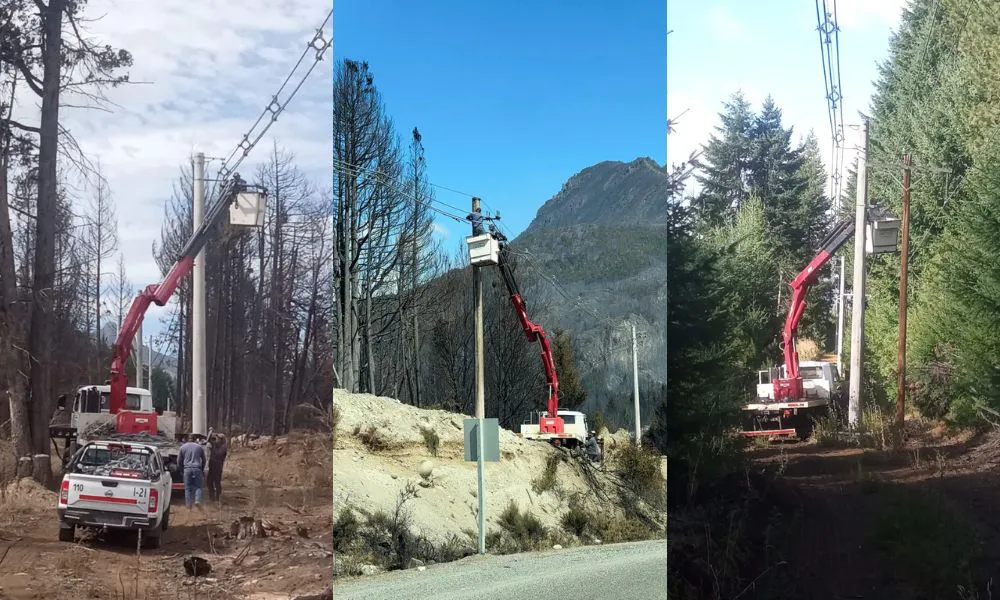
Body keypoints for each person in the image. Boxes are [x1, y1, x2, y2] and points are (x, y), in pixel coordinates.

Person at [178, 434, 207, 510]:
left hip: (187, 469)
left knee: (187, 487)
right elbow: (204, 460)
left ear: (187, 439)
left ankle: (188, 505)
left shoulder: (182, 447)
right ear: (195, 439)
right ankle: (197, 501)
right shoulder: (199, 447)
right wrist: (202, 469)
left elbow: (179, 461)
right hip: (197, 468)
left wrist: (181, 470)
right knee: (198, 486)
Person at [206, 433, 228, 502]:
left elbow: (219, 454)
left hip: (218, 467)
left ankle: (218, 497)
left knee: (217, 482)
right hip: (212, 466)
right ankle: (211, 497)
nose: (216, 439)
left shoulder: (223, 447)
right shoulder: (215, 444)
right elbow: (208, 440)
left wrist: (212, 448)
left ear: (221, 439)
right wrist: (210, 432)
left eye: (218, 438)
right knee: (209, 481)